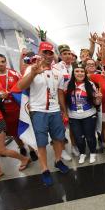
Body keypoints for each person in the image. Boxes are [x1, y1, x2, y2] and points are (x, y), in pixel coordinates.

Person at [18, 41, 69, 186]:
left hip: (54, 110)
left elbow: (60, 94)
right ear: (39, 54)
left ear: (53, 55)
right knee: (41, 142)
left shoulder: (58, 73)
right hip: (38, 111)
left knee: (58, 138)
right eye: (44, 52)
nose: (47, 55)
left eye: (50, 53)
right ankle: (45, 169)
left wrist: (64, 111)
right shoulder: (31, 69)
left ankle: (58, 161)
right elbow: (20, 86)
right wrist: (33, 73)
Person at [0, 53, 38, 162]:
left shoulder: (13, 73)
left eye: (3, 61)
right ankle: (21, 147)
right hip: (4, 109)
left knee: (25, 126)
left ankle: (32, 150)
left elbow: (23, 85)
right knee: (13, 131)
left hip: (18, 106)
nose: (1, 64)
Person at [60, 63, 102, 164]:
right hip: (73, 116)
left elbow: (96, 103)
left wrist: (99, 98)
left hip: (89, 115)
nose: (80, 73)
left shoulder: (91, 84)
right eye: (77, 71)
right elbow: (64, 101)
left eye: (82, 71)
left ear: (85, 72)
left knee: (90, 136)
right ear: (73, 73)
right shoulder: (67, 85)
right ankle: (82, 153)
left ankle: (92, 153)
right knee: (78, 137)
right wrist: (65, 113)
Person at [55, 44, 78, 159]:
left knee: (72, 125)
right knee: (61, 127)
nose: (68, 56)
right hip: (59, 100)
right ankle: (62, 150)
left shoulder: (75, 67)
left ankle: (74, 146)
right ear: (60, 56)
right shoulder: (56, 67)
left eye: (69, 54)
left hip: (72, 99)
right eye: (65, 54)